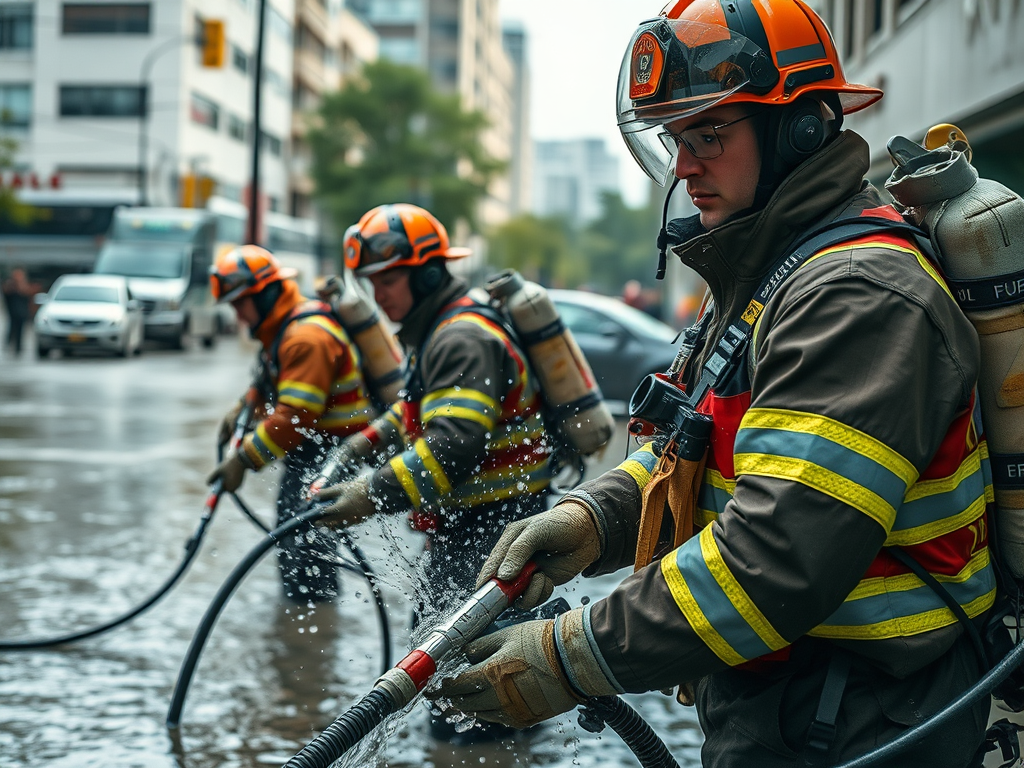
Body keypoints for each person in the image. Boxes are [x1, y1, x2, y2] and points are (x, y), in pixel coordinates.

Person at [432, 2, 996, 766]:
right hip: (792, 703)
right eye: (674, 139)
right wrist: (596, 518)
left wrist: (570, 654)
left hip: (870, 720)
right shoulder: (766, 269)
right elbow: (697, 449)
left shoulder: (859, 293)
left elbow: (779, 556)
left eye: (709, 135)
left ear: (797, 129)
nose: (685, 166)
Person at [314, 203, 554, 741]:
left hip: (491, 539)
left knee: (471, 697)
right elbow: (417, 411)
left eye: (390, 280)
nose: (380, 296)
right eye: (372, 284)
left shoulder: (459, 337)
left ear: (426, 273)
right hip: (480, 533)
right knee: (454, 681)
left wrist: (366, 493)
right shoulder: (442, 328)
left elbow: (453, 444)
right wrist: (364, 442)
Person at [207, 245, 376, 603]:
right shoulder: (285, 330)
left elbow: (294, 419)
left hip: (329, 457)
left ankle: (314, 632)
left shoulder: (305, 338)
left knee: (306, 553)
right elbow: (272, 384)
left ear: (266, 293)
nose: (237, 314)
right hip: (314, 455)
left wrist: (243, 460)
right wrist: (242, 409)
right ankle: (307, 632)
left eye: (241, 303)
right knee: (296, 544)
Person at [2, 268, 33, 356]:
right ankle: (9, 344)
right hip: (13, 313)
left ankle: (18, 347)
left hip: (22, 313)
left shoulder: (23, 287)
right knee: (12, 329)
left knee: (20, 331)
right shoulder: (10, 286)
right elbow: (6, 292)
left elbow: (27, 293)